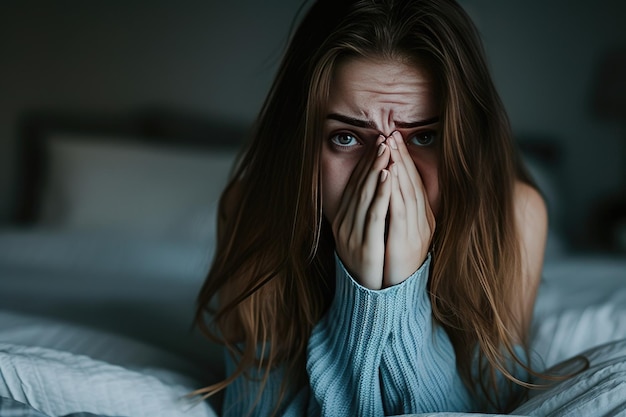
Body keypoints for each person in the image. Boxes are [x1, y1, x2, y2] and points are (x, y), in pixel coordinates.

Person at [194, 0, 548, 415]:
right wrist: (365, 299)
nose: (386, 173)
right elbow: (254, 410)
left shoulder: (514, 216)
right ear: (303, 144)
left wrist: (398, 287)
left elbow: (489, 407)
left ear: (463, 141)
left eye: (423, 138)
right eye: (346, 137)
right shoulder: (253, 209)